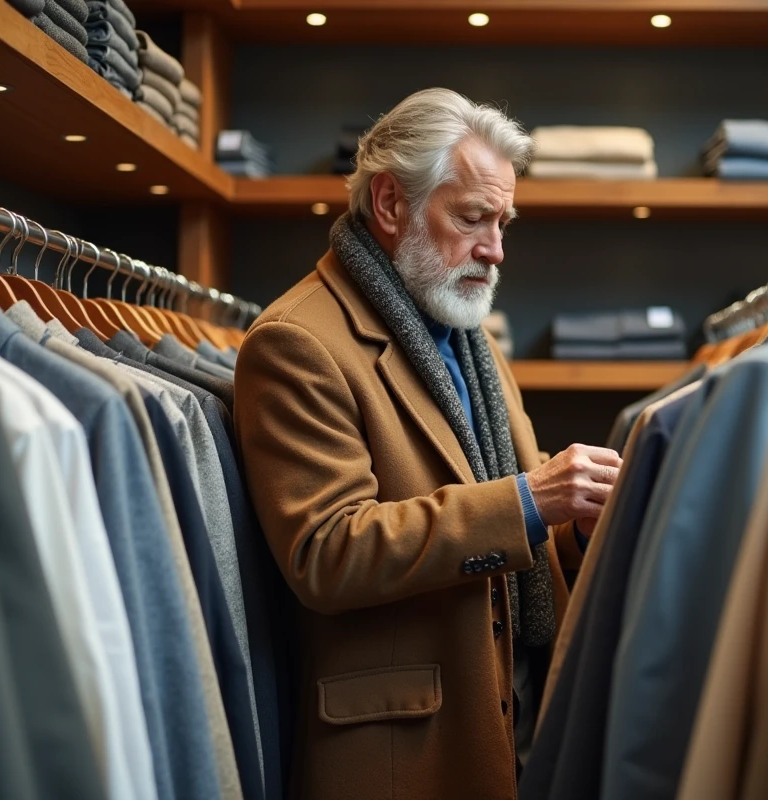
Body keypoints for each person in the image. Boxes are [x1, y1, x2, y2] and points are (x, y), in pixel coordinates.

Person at [234, 88, 623, 800]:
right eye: (473, 217)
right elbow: (326, 551)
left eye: (503, 221)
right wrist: (534, 499)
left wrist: (576, 523)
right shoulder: (296, 344)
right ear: (389, 204)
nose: (495, 249)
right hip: (403, 753)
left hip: (515, 728)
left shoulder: (472, 340)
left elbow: (520, 537)